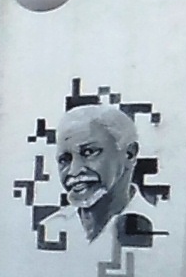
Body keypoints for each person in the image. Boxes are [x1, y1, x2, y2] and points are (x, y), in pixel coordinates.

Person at [54, 103, 142, 242]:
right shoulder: (51, 228)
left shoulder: (163, 226)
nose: (74, 171)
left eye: (89, 152)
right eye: (64, 160)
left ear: (129, 154)